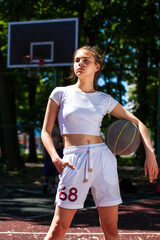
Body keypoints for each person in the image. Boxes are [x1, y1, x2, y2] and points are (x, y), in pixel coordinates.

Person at [41, 45, 159, 240]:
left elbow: (138, 123)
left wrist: (150, 153)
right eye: (77, 60)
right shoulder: (60, 93)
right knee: (58, 228)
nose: (80, 63)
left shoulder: (104, 99)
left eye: (86, 60)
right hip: (73, 160)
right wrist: (55, 158)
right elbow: (45, 131)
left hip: (103, 159)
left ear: (96, 67)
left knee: (111, 228)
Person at [42, 121, 63, 195]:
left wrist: (62, 144)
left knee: (57, 170)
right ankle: (45, 184)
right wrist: (43, 151)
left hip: (58, 150)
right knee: (47, 170)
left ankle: (57, 187)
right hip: (49, 150)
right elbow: (44, 138)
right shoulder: (49, 126)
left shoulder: (61, 127)